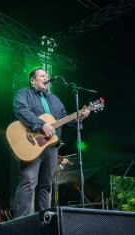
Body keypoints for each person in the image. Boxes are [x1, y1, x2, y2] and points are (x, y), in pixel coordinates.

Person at [12, 67, 90, 217]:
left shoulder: (55, 99)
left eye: (47, 75)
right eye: (42, 75)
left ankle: (43, 221)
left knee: (46, 186)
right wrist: (41, 124)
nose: (46, 78)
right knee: (28, 181)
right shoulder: (24, 93)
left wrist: (78, 117)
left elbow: (65, 119)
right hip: (32, 145)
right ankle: (19, 222)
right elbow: (20, 110)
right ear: (33, 80)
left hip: (51, 147)